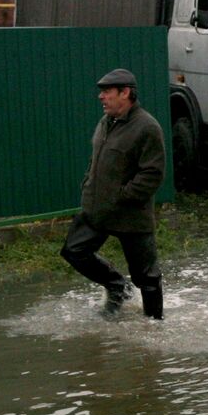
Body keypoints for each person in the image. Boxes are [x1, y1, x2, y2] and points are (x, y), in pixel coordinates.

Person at [60, 68, 167, 320]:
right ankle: (118, 286)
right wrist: (89, 187)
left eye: (107, 92)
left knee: (147, 277)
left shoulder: (147, 127)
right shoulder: (105, 122)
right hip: (98, 210)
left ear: (125, 92)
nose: (101, 97)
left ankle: (154, 327)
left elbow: (152, 174)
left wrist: (121, 196)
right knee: (74, 251)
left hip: (131, 215)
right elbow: (95, 160)